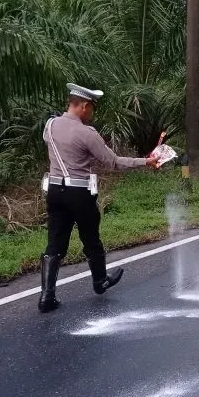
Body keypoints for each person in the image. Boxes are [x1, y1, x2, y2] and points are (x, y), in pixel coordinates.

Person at [39, 84, 159, 313]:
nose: (92, 113)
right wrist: (146, 161)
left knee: (55, 242)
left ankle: (46, 296)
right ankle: (100, 282)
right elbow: (113, 162)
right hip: (79, 193)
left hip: (54, 192)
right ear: (83, 106)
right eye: (92, 108)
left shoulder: (50, 126)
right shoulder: (86, 133)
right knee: (91, 238)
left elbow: (50, 141)